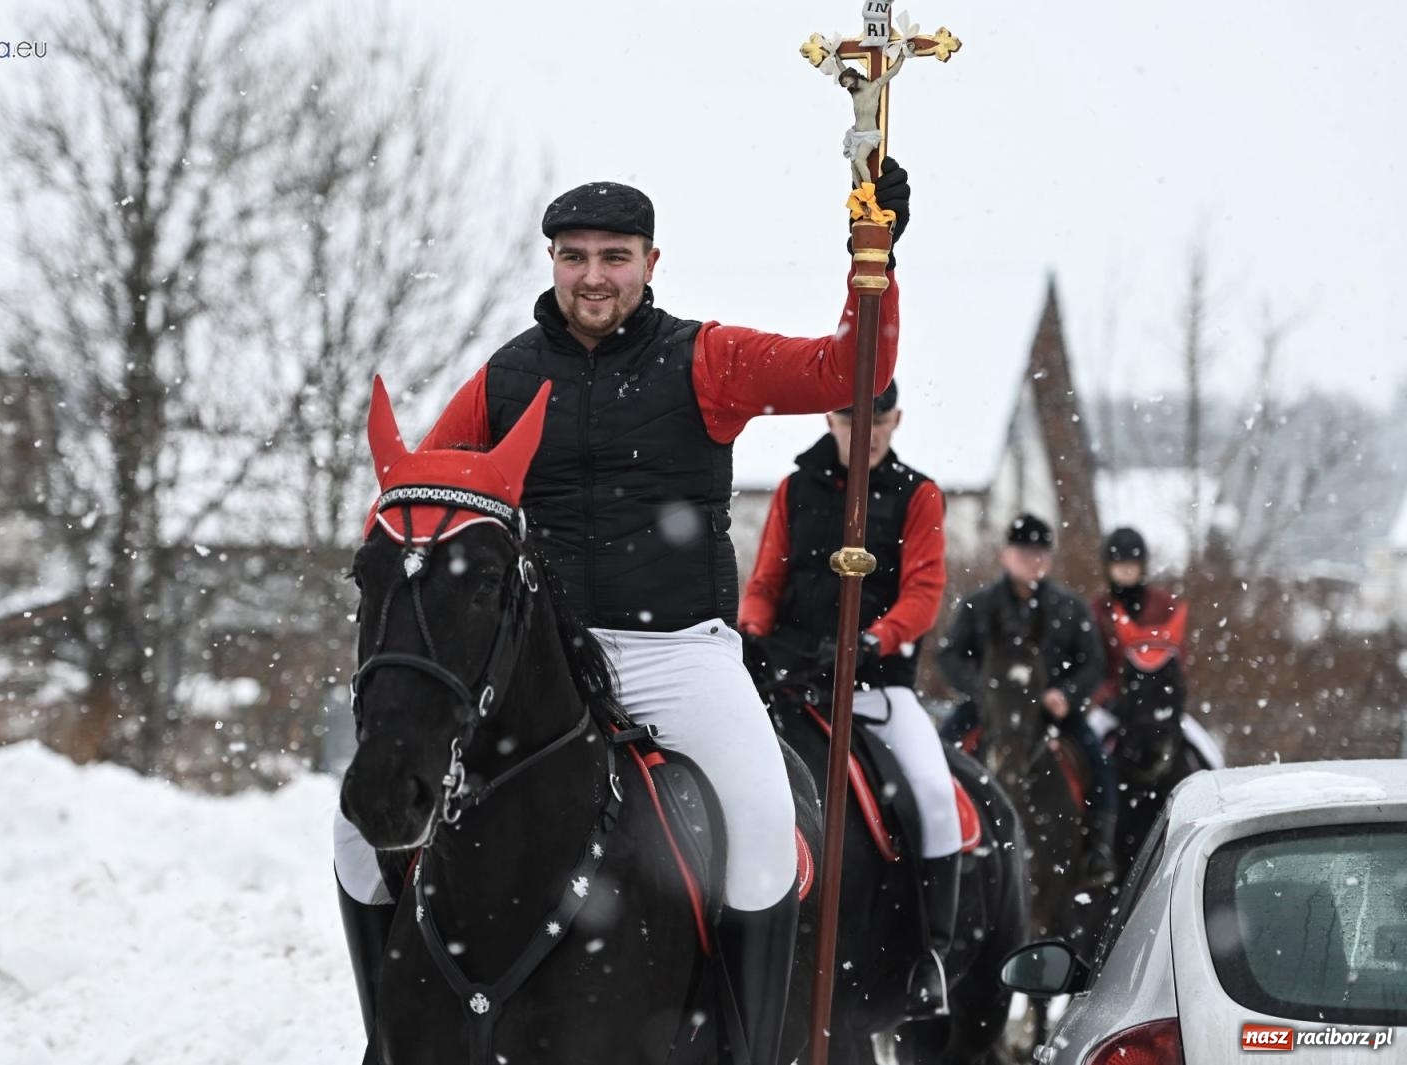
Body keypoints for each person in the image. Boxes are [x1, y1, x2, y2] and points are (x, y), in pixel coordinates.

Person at [334, 162, 912, 1063]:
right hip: (540, 660)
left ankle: (752, 1047)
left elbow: (849, 368)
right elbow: (425, 492)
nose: (593, 275)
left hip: (677, 653)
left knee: (764, 830)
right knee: (353, 833)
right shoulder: (505, 378)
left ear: (650, 262)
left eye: (614, 256)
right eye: (574, 256)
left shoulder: (707, 359)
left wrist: (873, 260)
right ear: (552, 263)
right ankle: (391, 1036)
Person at [736, 380, 960, 1018]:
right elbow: (766, 582)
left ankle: (929, 956)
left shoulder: (919, 494)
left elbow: (923, 593)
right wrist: (750, 632)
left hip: (874, 689)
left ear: (896, 421)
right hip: (790, 684)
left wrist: (872, 640)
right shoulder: (793, 489)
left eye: (878, 421)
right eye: (851, 420)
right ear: (831, 421)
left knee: (935, 796)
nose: (866, 433)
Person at [935, 514, 1118, 881]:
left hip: (1052, 714)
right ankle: (937, 836)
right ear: (1005, 555)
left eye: (1040, 554)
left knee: (1096, 760)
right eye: (1024, 554)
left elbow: (1094, 662)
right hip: (987, 710)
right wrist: (984, 691)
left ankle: (1097, 850)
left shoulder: (1071, 608)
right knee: (939, 754)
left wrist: (1066, 694)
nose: (1033, 561)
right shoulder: (979, 605)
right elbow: (949, 655)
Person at [1089, 527, 1188, 713]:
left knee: (1198, 734)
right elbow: (1092, 662)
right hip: (1114, 703)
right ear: (1108, 567)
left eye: (1132, 564)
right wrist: (1106, 698)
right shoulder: (1098, 610)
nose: (1126, 570)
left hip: (1161, 701)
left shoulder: (1165, 606)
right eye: (1120, 564)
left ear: (1142, 565)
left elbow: (1179, 655)